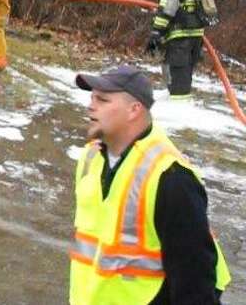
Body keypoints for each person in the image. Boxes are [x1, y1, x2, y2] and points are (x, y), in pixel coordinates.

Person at [70, 65, 231, 304]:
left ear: (134, 110)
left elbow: (195, 283)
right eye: (92, 98)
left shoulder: (171, 177)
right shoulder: (90, 158)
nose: (91, 106)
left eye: (102, 100)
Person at [147, 0, 207, 101]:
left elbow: (169, 9)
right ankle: (179, 102)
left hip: (180, 36)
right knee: (184, 74)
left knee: (178, 77)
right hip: (196, 37)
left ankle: (179, 111)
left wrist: (156, 32)